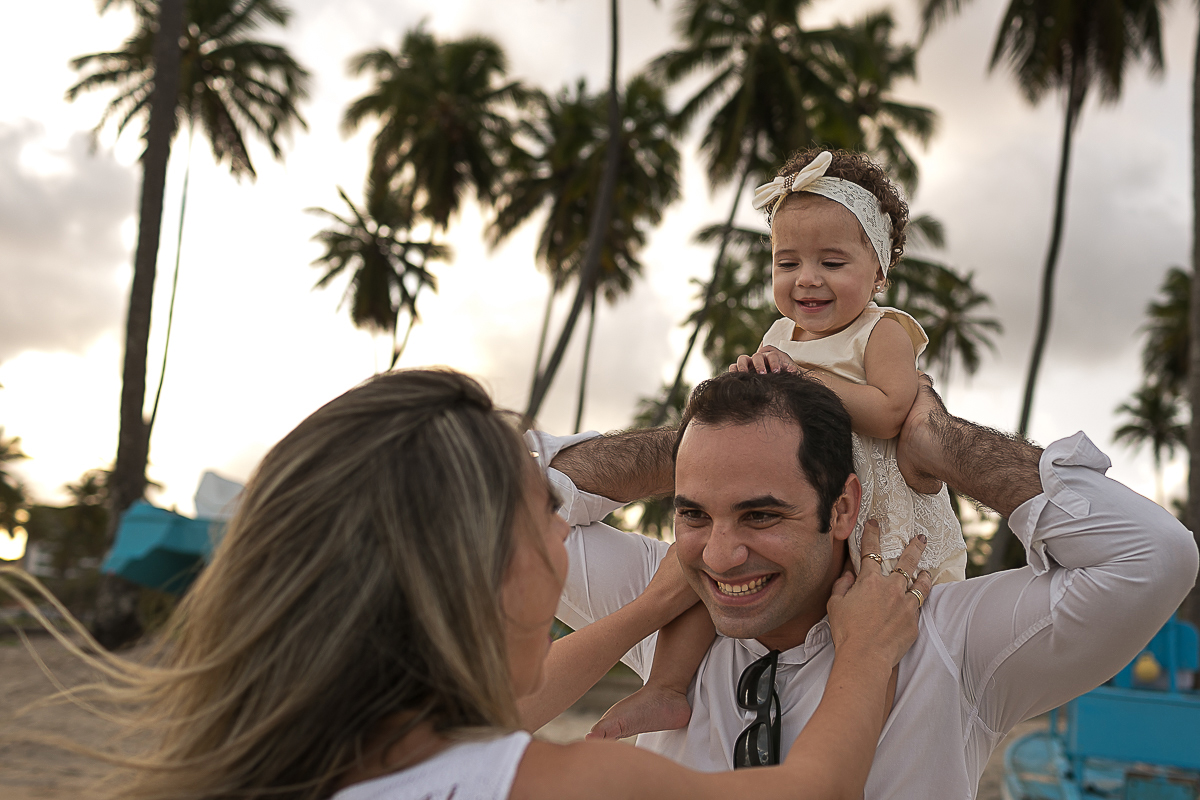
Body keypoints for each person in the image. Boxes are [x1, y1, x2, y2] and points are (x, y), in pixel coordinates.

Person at [0, 369, 931, 800]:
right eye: (549, 518)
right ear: (482, 571)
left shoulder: (316, 753)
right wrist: (869, 652)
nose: (569, 545)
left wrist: (654, 606)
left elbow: (514, 705)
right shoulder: (559, 783)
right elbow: (809, 790)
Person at [542, 368, 1198, 797]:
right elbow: (488, 507)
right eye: (694, 511)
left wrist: (933, 438)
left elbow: (1153, 556)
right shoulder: (671, 600)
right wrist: (697, 443)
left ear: (844, 507)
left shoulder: (945, 639)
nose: (721, 554)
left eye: (761, 513)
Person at [592, 147, 966, 739]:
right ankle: (665, 686)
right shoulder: (779, 335)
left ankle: (863, 731)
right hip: (797, 510)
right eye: (787, 262)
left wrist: (805, 379)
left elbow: (893, 410)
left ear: (879, 273)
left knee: (874, 627)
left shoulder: (882, 331)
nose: (807, 278)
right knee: (703, 571)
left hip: (881, 521)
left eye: (833, 262)